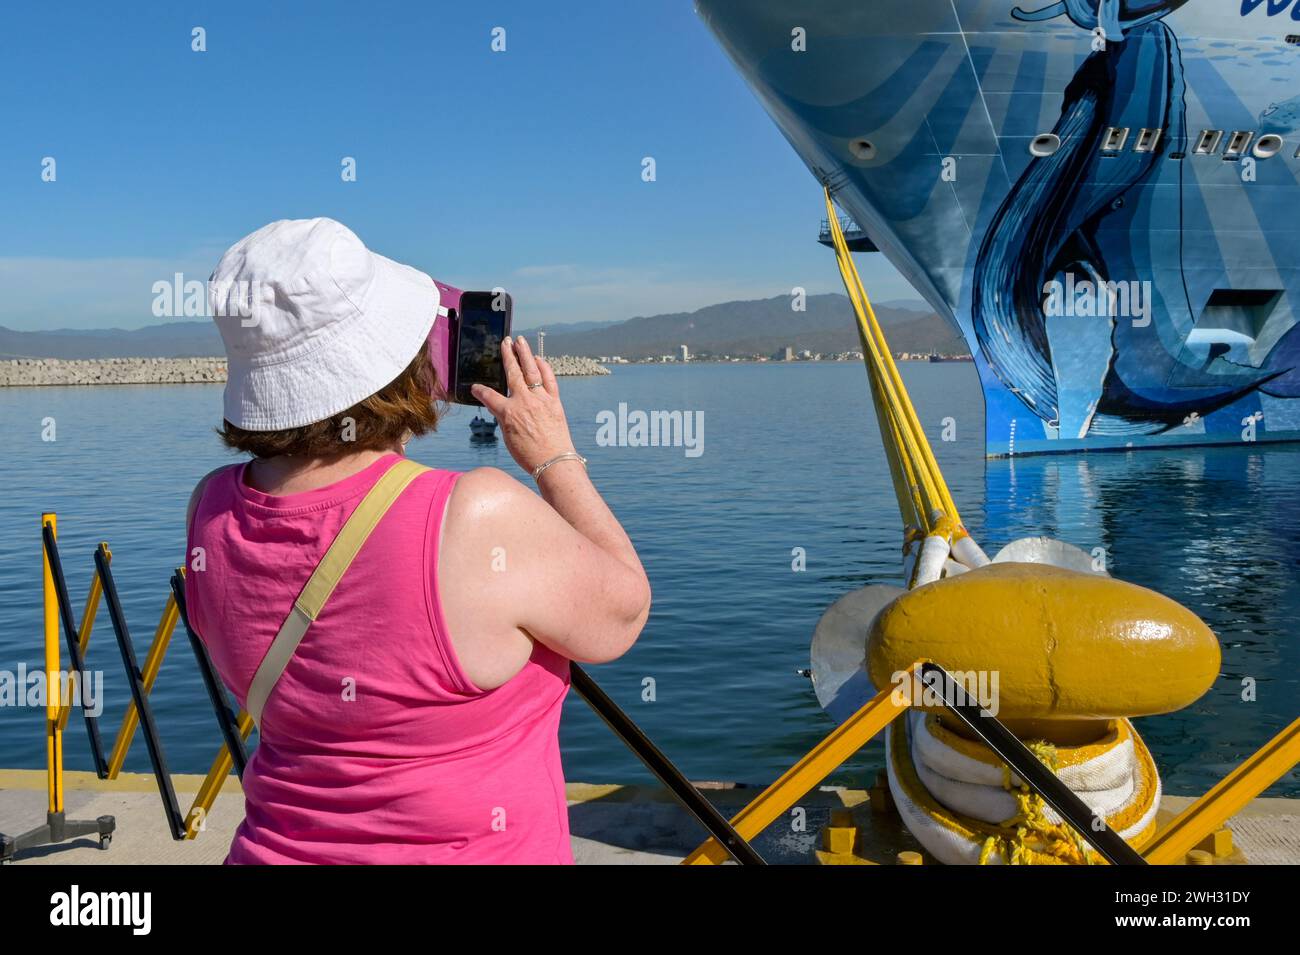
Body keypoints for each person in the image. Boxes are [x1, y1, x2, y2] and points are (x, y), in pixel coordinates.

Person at [185, 218, 650, 864]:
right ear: (395, 360)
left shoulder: (210, 512)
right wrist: (554, 457)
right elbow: (623, 611)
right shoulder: (473, 518)